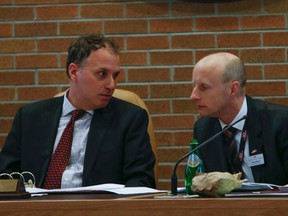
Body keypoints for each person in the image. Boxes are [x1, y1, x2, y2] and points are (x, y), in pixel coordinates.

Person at [0, 34, 156, 189]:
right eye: (102, 74)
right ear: (74, 72)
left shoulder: (129, 119)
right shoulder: (30, 117)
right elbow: (6, 177)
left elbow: (140, 181)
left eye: (115, 75)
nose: (112, 85)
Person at [191, 52, 288, 185]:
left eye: (204, 87)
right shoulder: (204, 129)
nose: (194, 95)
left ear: (232, 89)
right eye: (194, 86)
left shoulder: (281, 122)